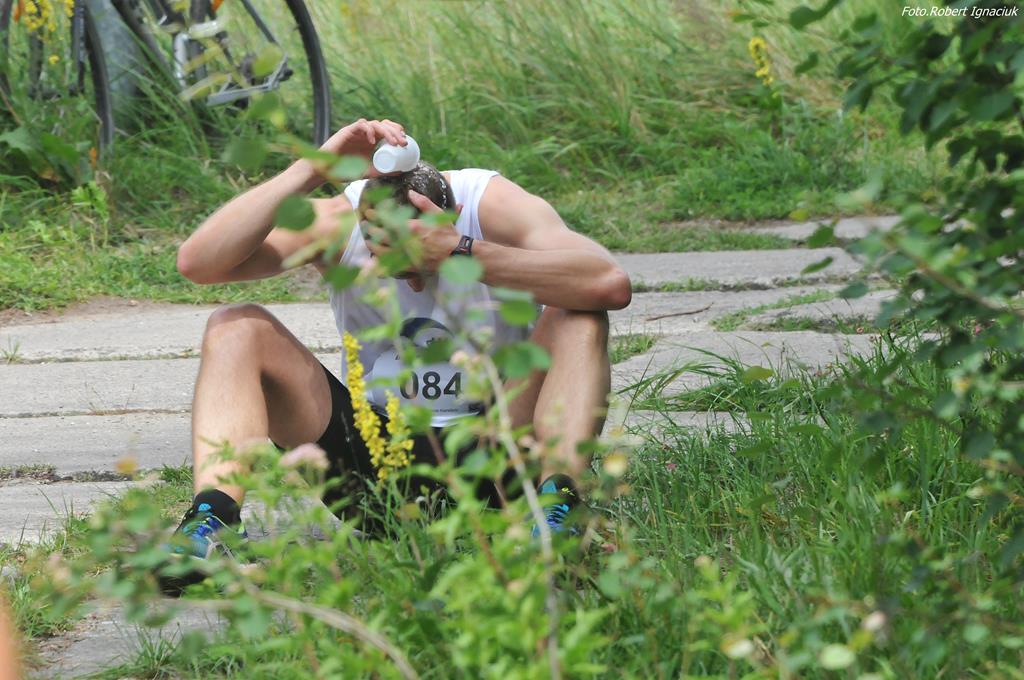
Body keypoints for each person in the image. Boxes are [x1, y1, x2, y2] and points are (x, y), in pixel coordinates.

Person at [166, 118, 631, 586]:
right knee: (236, 327)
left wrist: (460, 251)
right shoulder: (339, 220)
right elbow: (198, 263)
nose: (413, 285)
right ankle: (212, 522)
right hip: (379, 473)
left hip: (503, 455)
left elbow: (608, 283)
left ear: (452, 216)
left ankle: (557, 516)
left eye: (420, 267)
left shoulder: (492, 204)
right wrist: (313, 168)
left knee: (579, 311)